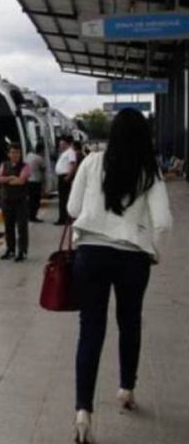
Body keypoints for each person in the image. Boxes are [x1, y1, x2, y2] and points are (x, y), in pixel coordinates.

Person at [67, 109, 172, 443]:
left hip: (91, 255)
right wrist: (153, 249)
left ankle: (83, 413)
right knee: (130, 322)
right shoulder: (149, 171)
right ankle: (126, 389)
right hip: (132, 258)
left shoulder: (91, 162)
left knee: (90, 330)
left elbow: (72, 209)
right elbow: (164, 222)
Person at [0, 142, 31, 261]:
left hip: (20, 201)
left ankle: (22, 251)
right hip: (6, 201)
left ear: (20, 154)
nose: (14, 155)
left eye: (17, 153)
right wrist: (11, 178)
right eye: (12, 152)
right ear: (8, 154)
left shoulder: (25, 166)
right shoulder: (3, 164)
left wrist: (8, 180)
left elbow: (21, 181)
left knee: (22, 227)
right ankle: (10, 249)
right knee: (8, 226)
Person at [55, 135, 77, 225]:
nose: (61, 146)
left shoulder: (70, 152)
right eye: (60, 144)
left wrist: (68, 176)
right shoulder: (65, 153)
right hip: (62, 177)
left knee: (64, 199)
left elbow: (73, 164)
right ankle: (62, 218)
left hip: (65, 177)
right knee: (62, 198)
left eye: (62, 144)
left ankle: (63, 219)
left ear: (66, 144)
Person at [24, 142, 45, 222]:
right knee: (36, 200)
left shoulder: (28, 155)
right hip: (36, 182)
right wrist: (44, 184)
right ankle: (33, 217)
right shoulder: (40, 158)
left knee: (30, 200)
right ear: (42, 150)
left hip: (28, 181)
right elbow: (43, 170)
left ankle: (29, 215)